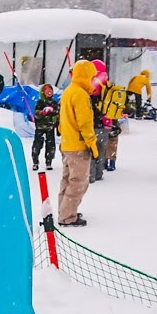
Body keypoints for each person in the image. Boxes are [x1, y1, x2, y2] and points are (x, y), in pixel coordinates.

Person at [57, 60, 100, 226]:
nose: (94, 80)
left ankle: (65, 211)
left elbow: (62, 122)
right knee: (78, 183)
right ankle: (67, 217)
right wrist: (92, 145)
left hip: (67, 144)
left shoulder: (68, 91)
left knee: (67, 180)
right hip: (78, 146)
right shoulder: (81, 94)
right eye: (92, 76)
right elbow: (85, 124)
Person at [32, 83, 58, 171]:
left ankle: (49, 161)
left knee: (51, 145)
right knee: (37, 144)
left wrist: (54, 116)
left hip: (50, 128)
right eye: (47, 91)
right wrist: (43, 113)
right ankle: (35, 162)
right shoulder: (40, 102)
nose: (49, 92)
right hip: (40, 128)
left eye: (51, 91)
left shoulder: (54, 103)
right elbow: (36, 114)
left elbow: (58, 114)